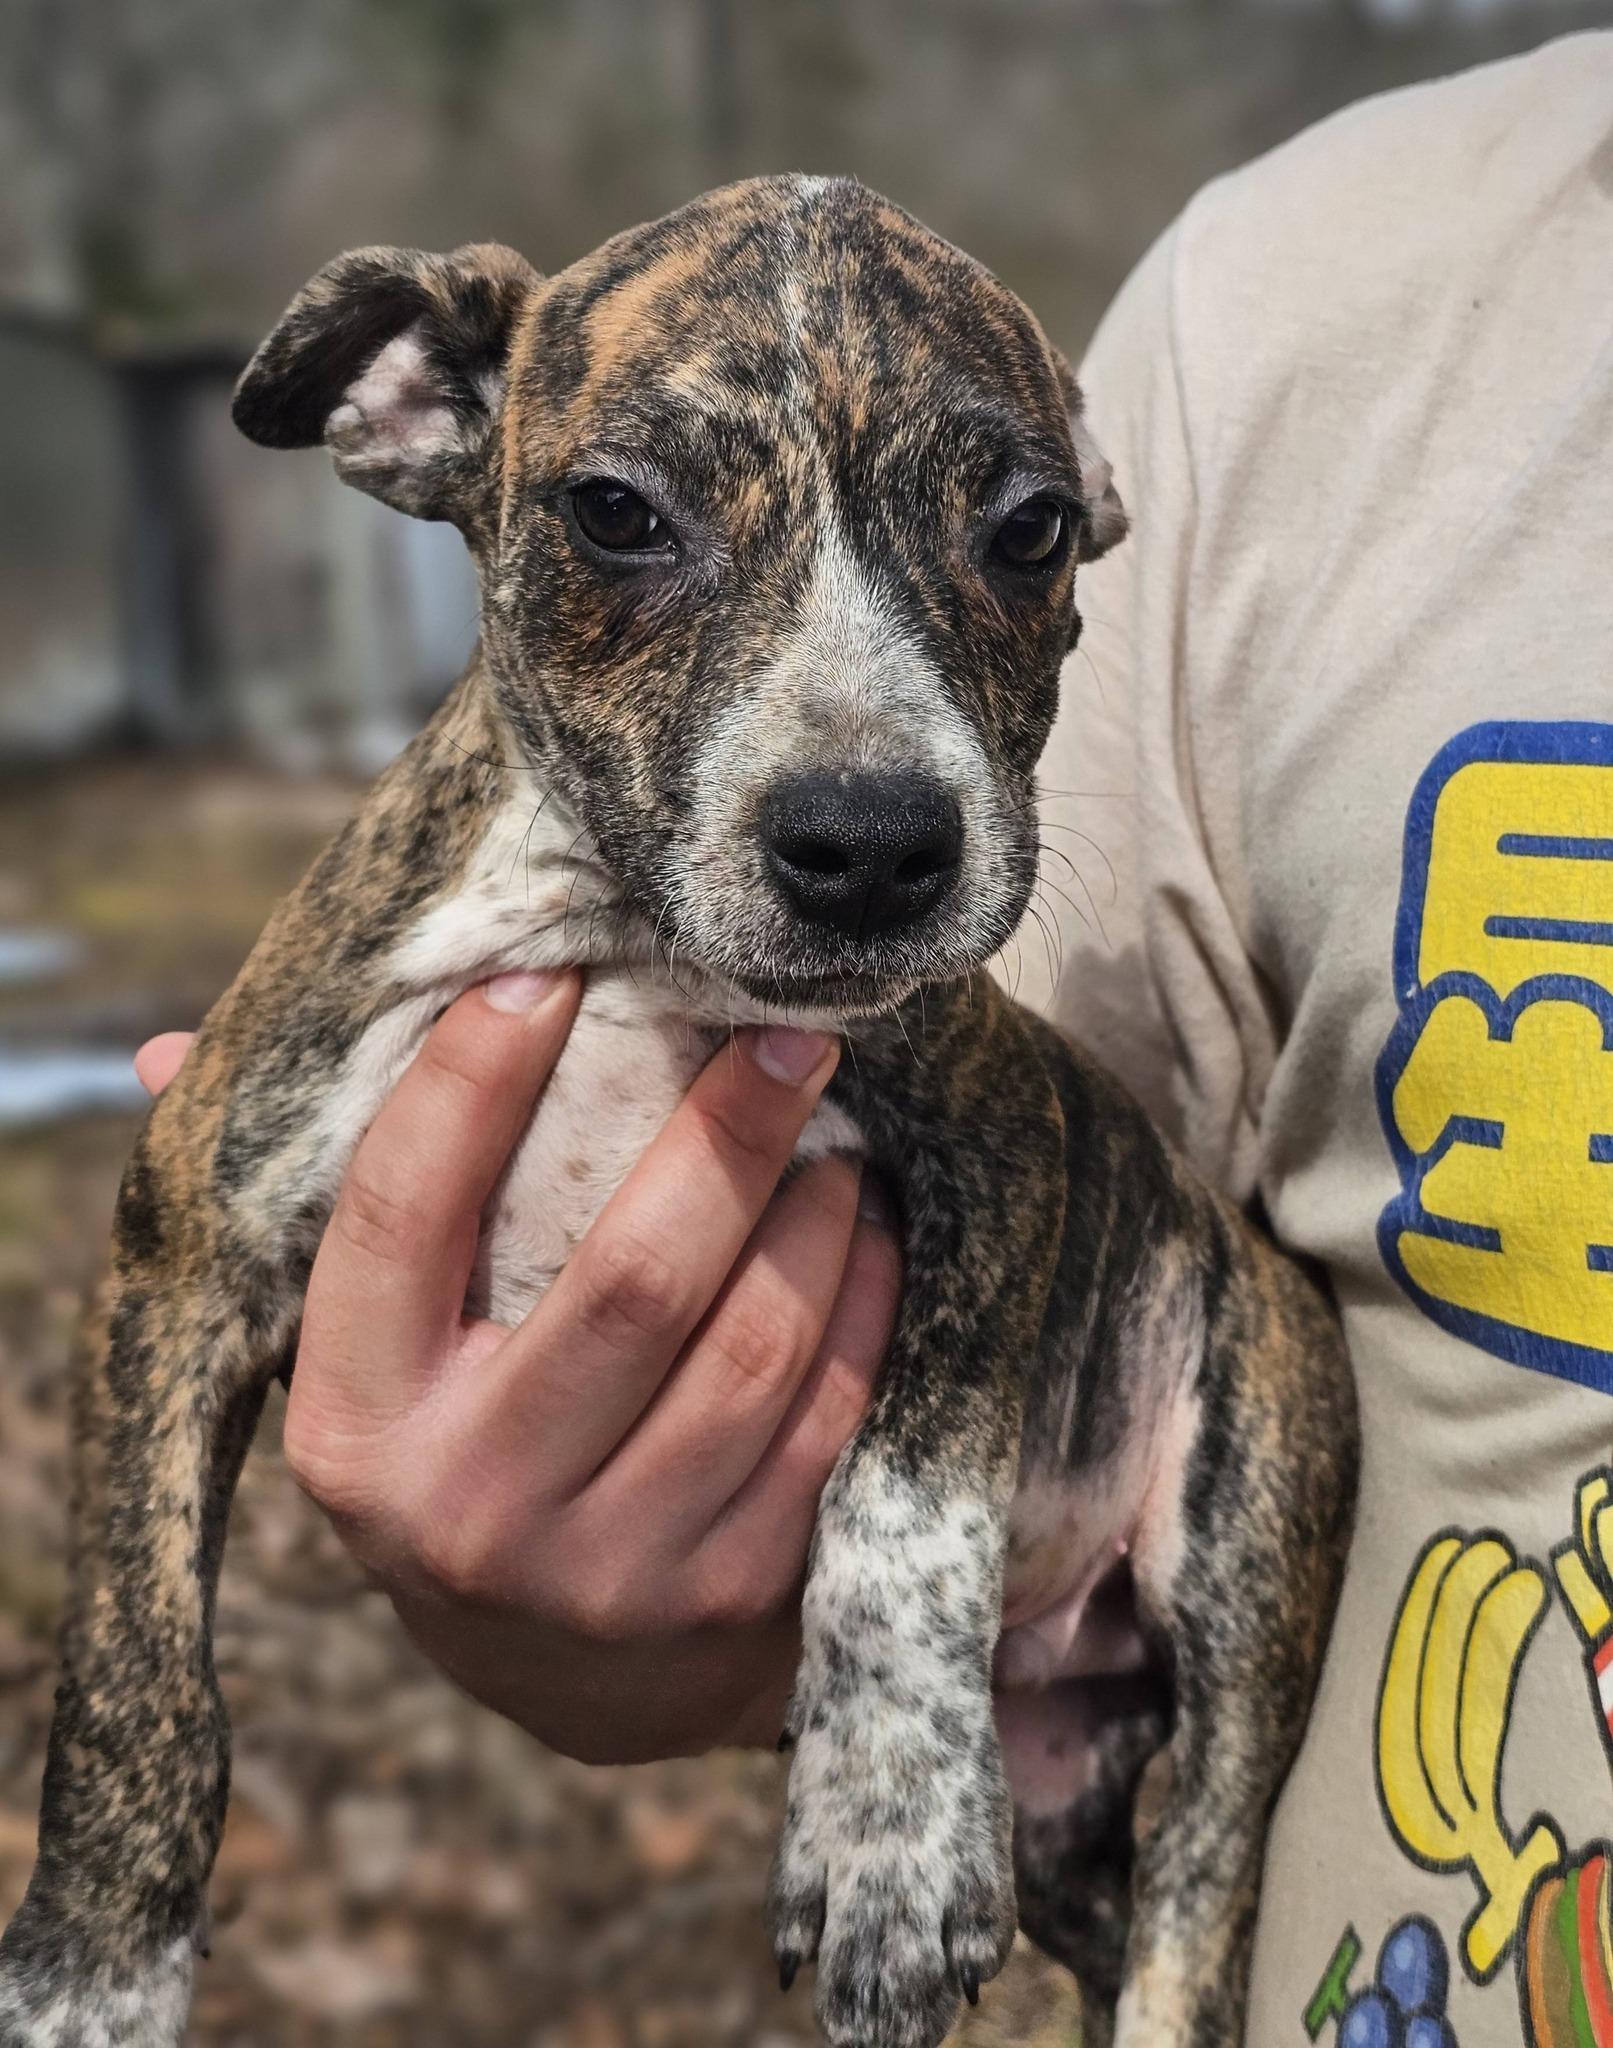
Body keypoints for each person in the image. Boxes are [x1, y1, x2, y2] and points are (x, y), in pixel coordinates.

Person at [138, 30, 1613, 2044]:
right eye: (633, 519)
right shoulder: (1292, 312)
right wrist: (657, 1631)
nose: (860, 768)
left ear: (1075, 522)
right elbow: (1071, 1204)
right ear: (419, 427)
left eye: (1006, 539)